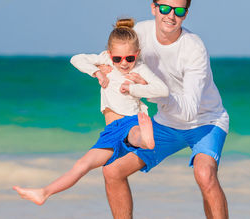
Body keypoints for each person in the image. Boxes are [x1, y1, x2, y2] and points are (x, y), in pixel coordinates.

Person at [101, 0, 230, 219]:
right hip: (167, 122)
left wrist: (152, 93)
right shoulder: (140, 33)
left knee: (205, 175)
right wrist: (102, 71)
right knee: (112, 171)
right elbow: (113, 56)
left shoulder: (193, 48)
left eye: (179, 11)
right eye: (165, 8)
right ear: (154, 8)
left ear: (185, 14)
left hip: (206, 121)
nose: (171, 15)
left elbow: (190, 110)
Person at [12, 18, 169, 205]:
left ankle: (146, 140)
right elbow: (76, 59)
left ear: (137, 54)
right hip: (110, 132)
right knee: (82, 164)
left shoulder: (140, 68)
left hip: (130, 121)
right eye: (117, 58)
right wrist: (97, 72)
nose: (124, 63)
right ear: (110, 54)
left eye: (130, 58)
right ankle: (44, 193)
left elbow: (162, 90)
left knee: (134, 134)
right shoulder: (104, 59)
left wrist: (136, 86)